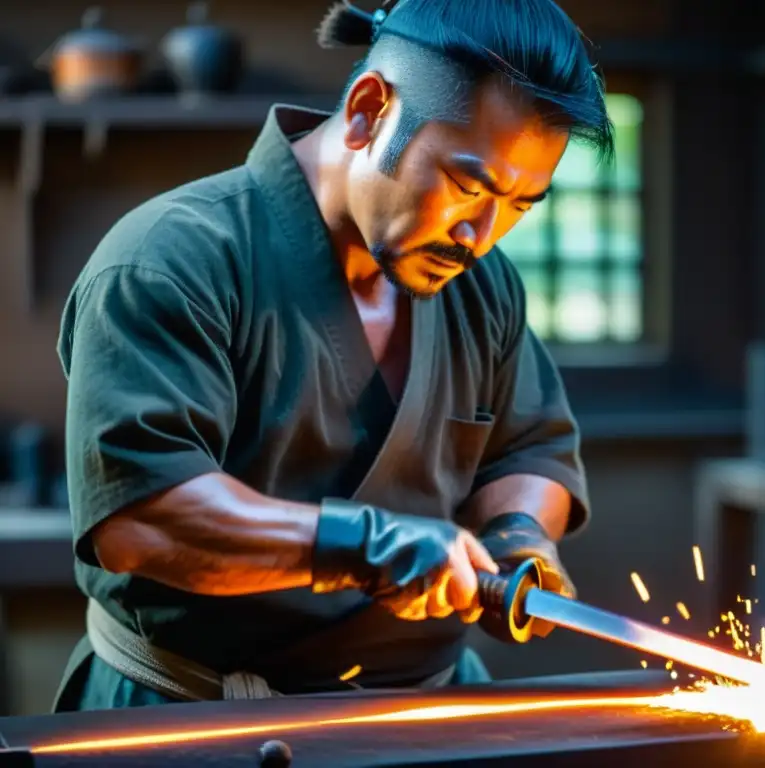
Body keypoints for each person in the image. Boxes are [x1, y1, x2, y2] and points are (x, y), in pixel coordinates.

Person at [51, 0, 614, 712]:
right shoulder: (169, 261)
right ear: (368, 110)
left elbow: (529, 451)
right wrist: (361, 546)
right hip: (195, 715)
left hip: (428, 714)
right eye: (469, 186)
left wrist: (519, 533)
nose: (481, 233)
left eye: (519, 206)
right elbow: (142, 520)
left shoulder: (483, 283)